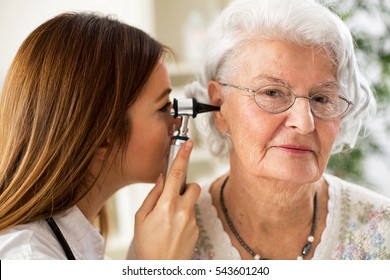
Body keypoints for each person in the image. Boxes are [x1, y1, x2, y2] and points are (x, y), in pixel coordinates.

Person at [186, 0, 390, 260]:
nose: (304, 123)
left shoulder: (382, 231)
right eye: (272, 93)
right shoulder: (172, 237)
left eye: (321, 99)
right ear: (219, 106)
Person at [0, 12, 200, 260]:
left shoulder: (81, 247)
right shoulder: (27, 259)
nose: (178, 121)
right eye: (162, 108)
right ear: (103, 137)